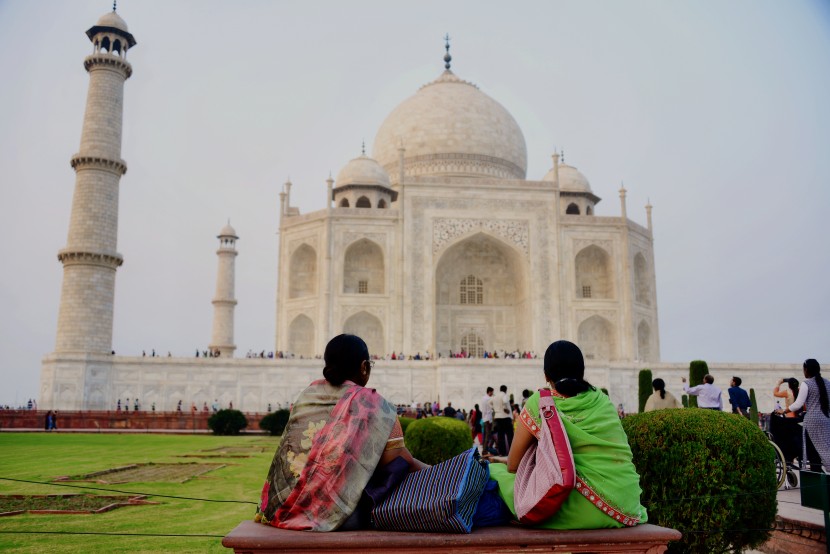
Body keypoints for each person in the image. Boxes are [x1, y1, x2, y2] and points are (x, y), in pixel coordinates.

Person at [257, 334, 427, 531]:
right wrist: (440, 472)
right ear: (364, 366)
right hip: (331, 517)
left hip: (279, 509)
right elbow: (400, 460)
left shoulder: (307, 396)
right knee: (393, 473)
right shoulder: (375, 405)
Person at [489, 340, 647, 528]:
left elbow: (514, 466)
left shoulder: (541, 403)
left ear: (546, 376)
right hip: (625, 507)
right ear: (582, 372)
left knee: (494, 474)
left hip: (572, 508)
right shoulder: (603, 401)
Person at [784, 359, 829, 472]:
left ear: (807, 370)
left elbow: (798, 404)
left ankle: (817, 478)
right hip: (826, 419)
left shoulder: (806, 383)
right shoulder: (827, 383)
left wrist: (784, 411)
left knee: (813, 453)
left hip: (812, 421)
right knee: (826, 447)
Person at [492, 385, 513, 455]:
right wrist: (504, 408)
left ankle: (502, 452)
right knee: (510, 435)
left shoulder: (495, 396)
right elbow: (505, 401)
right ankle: (511, 452)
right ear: (505, 390)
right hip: (505, 417)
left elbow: (489, 402)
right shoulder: (504, 395)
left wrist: (495, 409)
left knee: (500, 436)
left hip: (498, 417)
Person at [481, 387, 495, 453]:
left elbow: (483, 410)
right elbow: (490, 410)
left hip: (485, 418)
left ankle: (485, 449)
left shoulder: (483, 398)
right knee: (488, 435)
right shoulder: (489, 399)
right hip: (488, 419)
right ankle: (485, 450)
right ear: (489, 392)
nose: (492, 393)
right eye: (492, 392)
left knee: (485, 434)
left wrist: (484, 418)